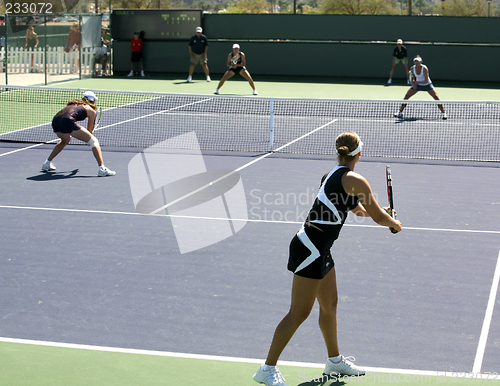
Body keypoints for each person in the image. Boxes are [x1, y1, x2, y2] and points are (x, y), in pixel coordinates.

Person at [253, 131, 402, 386]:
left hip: (319, 248)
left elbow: (358, 210)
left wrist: (383, 213)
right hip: (310, 248)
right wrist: (395, 223)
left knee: (330, 304)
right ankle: (267, 369)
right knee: (299, 313)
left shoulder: (331, 175)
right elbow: (378, 218)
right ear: (359, 154)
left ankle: (334, 360)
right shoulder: (357, 180)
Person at [41, 91, 116, 177]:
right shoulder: (91, 111)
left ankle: (47, 163)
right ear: (93, 101)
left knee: (65, 140)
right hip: (68, 121)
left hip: (55, 121)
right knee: (94, 141)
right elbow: (89, 131)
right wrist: (89, 140)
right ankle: (102, 169)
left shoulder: (72, 104)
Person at [394, 55, 447, 120]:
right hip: (418, 85)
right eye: (415, 61)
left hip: (427, 84)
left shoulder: (424, 68)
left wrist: (417, 83)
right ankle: (400, 112)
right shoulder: (412, 68)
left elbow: (426, 80)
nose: (416, 63)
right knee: (406, 96)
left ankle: (444, 113)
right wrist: (414, 84)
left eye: (418, 62)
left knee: (436, 97)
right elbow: (413, 78)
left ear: (421, 62)